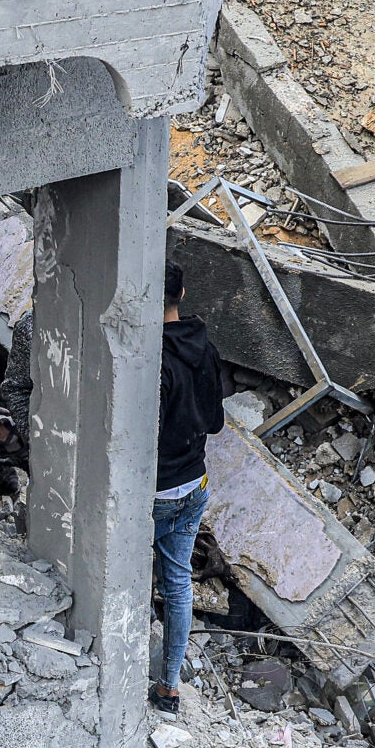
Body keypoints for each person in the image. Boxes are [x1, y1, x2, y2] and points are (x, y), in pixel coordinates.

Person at [152, 264, 226, 714]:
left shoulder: (149, 360)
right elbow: (215, 422)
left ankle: (115, 669)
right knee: (178, 583)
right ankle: (170, 687)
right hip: (194, 483)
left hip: (155, 493)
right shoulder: (205, 346)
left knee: (130, 580)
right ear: (182, 291)